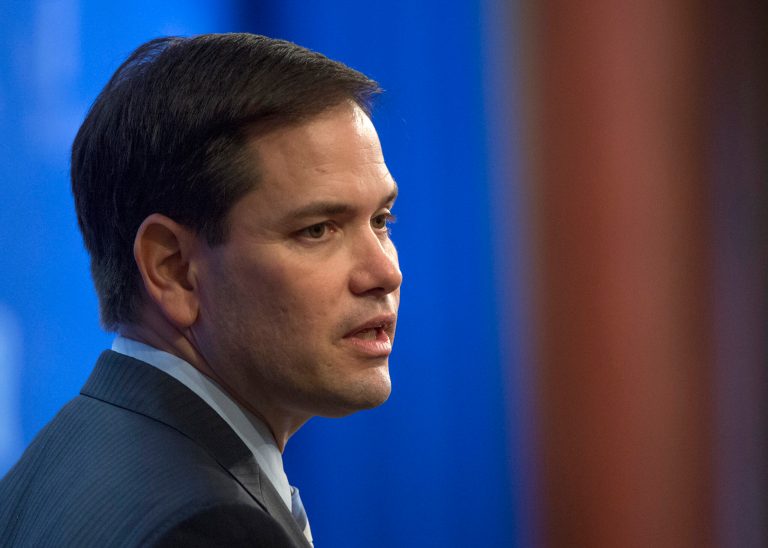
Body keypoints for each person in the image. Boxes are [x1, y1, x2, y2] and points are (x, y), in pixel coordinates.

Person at [0, 33, 401, 547]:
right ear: (173, 269)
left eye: (382, 220)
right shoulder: (205, 527)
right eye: (318, 229)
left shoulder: (55, 465)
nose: (384, 273)